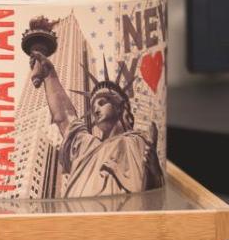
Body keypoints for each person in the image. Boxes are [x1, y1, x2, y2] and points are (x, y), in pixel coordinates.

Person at [30, 45, 161, 196]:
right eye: (93, 108)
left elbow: (152, 191)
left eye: (102, 102)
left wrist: (154, 171)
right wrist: (49, 75)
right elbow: (65, 117)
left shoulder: (138, 141)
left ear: (120, 107)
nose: (96, 110)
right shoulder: (87, 146)